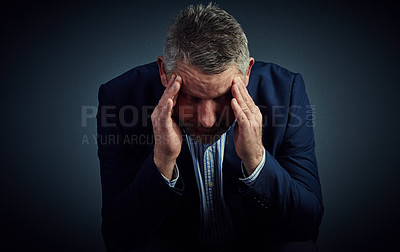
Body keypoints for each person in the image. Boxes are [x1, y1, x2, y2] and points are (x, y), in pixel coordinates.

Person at [97, 3, 323, 252]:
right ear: (164, 71)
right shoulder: (120, 99)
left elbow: (307, 224)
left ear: (247, 72)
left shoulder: (286, 92)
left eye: (222, 97)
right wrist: (162, 160)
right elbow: (119, 235)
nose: (207, 120)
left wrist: (256, 160)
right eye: (192, 97)